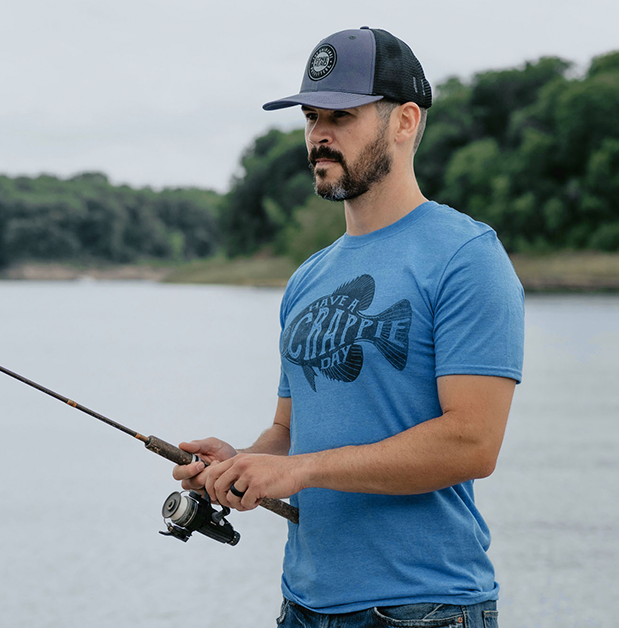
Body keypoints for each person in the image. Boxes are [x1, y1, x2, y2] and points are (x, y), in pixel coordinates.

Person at [173, 27, 524, 628]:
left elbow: (473, 443)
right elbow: (290, 431)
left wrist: (300, 471)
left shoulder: (467, 256)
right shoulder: (307, 278)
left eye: (341, 116)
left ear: (406, 122)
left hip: (423, 607)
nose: (318, 136)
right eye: (311, 117)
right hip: (304, 604)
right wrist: (243, 463)